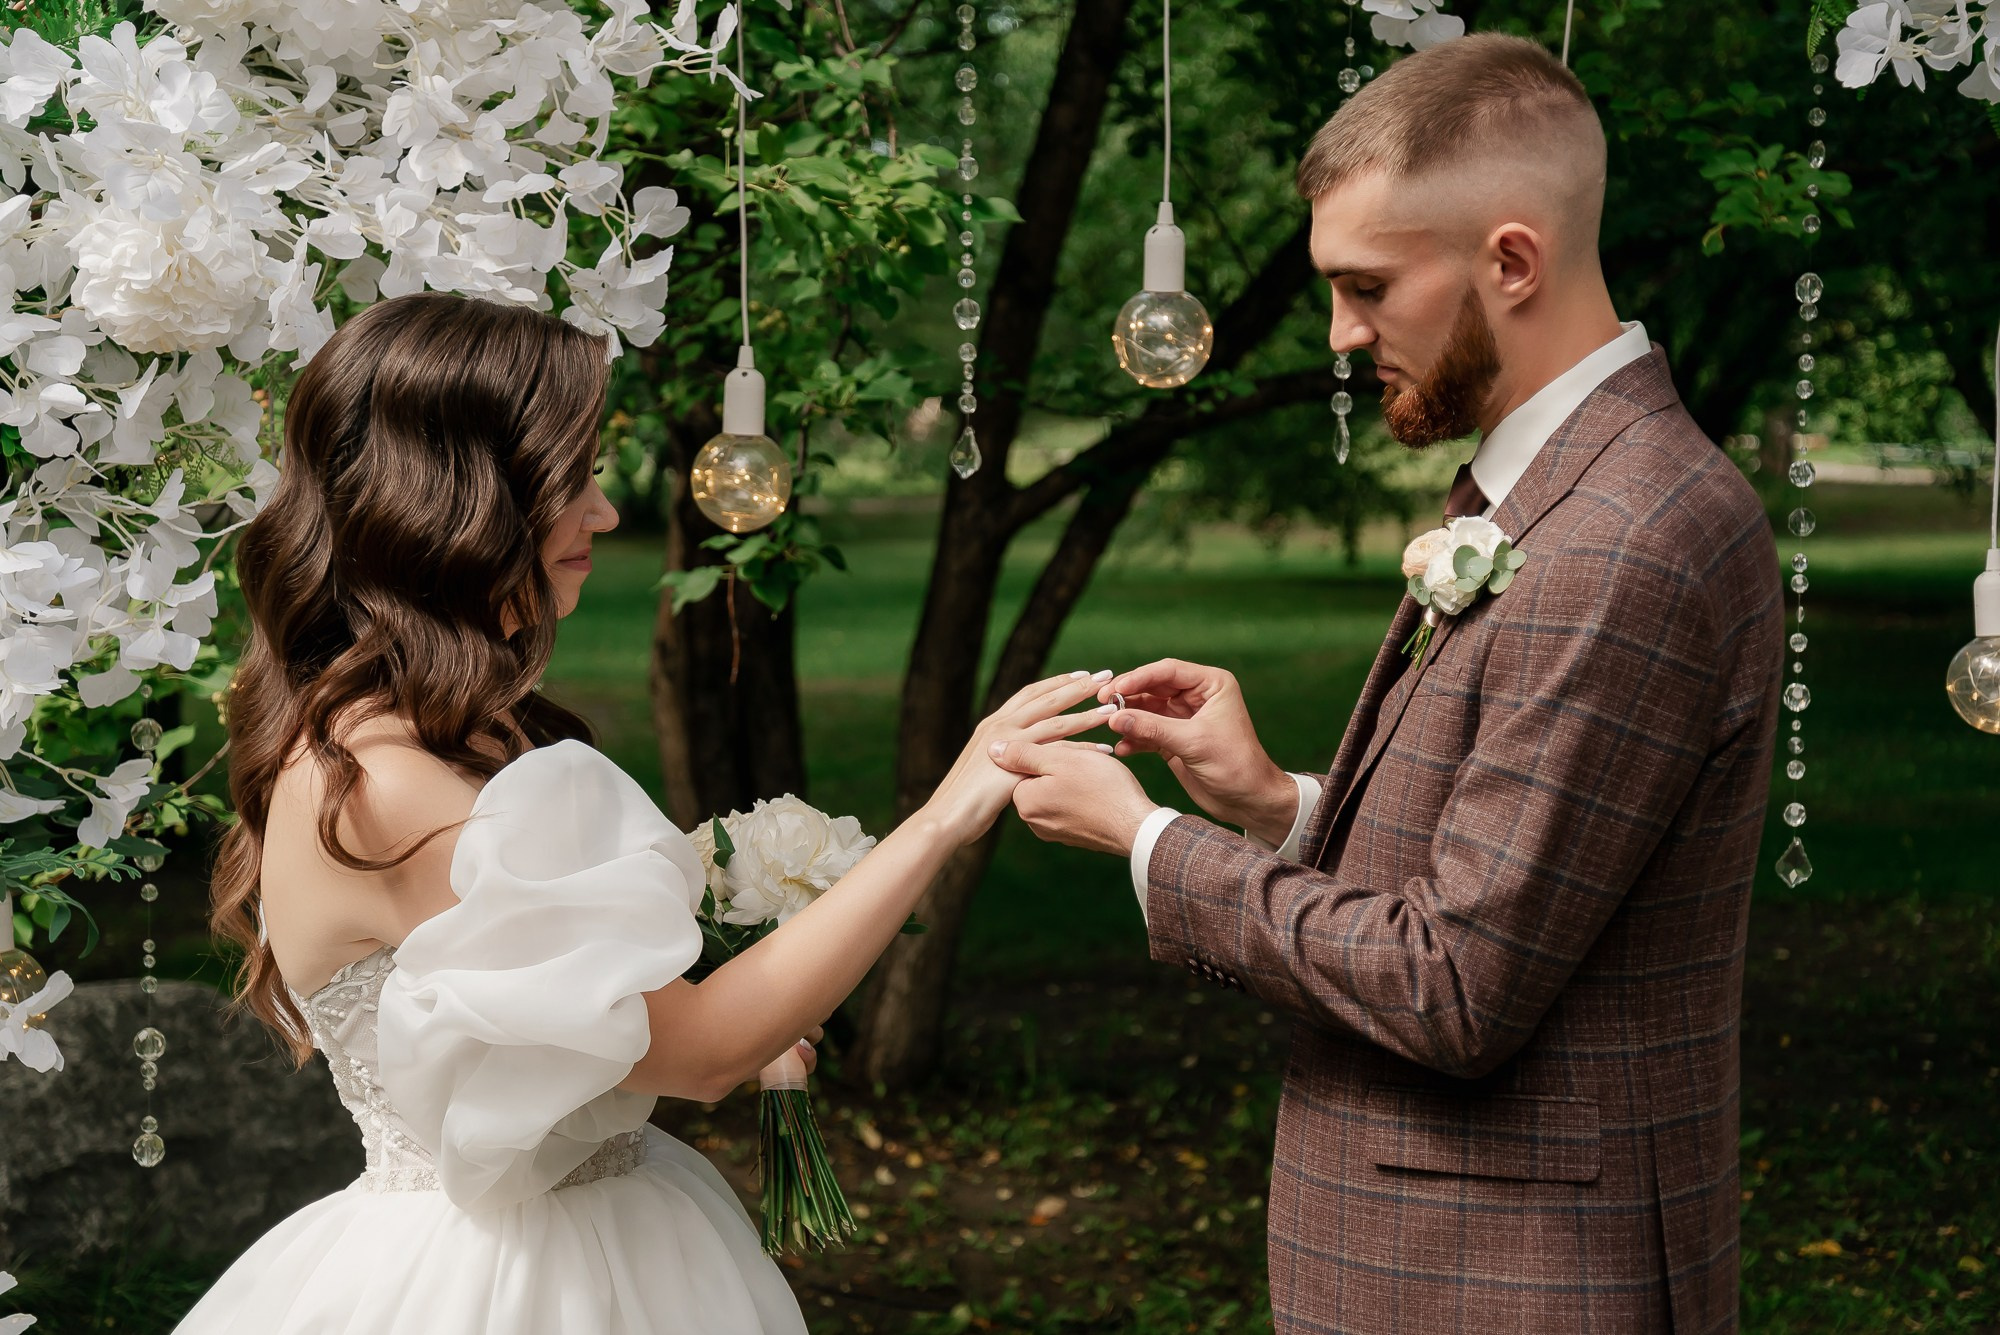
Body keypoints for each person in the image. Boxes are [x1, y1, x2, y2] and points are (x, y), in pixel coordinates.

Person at [992, 33, 1782, 1335]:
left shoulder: (1625, 539)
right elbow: (1508, 874)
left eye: (1366, 286)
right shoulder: (1551, 490)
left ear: (1510, 262)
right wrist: (1273, 803)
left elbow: (1454, 985)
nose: (1341, 331)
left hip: (1518, 1280)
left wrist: (1147, 842)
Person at [180, 291, 1110, 1334]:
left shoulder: (439, 740)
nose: (605, 512)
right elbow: (700, 1048)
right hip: (505, 1287)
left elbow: (571, 1028)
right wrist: (944, 814)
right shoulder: (387, 785)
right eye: (569, 478)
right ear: (461, 497)